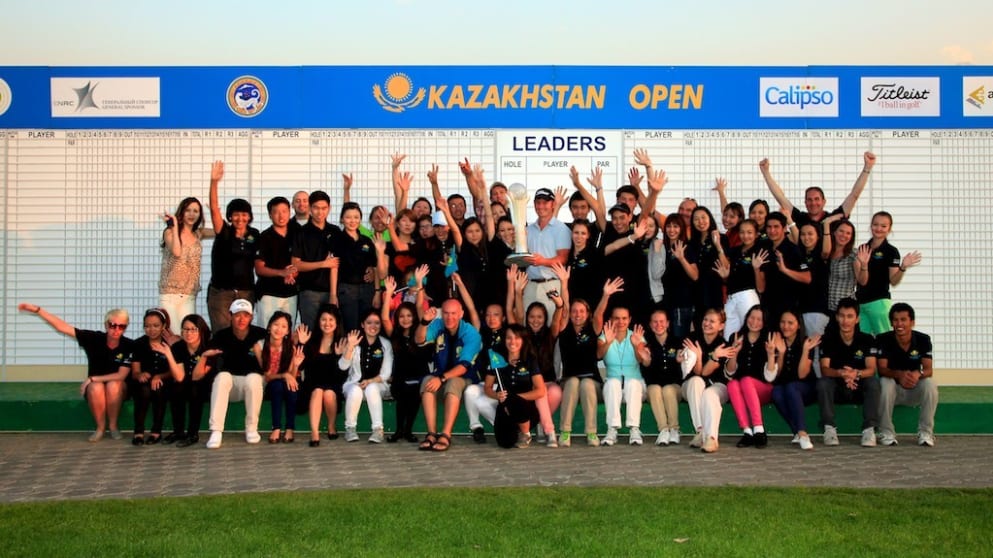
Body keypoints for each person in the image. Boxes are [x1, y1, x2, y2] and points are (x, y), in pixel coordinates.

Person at [19, 303, 133, 442]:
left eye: (121, 326)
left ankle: (113, 426)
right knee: (96, 387)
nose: (116, 329)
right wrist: (38, 310)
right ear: (106, 325)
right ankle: (100, 428)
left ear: (126, 327)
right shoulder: (93, 338)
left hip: (118, 388)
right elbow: (63, 327)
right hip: (95, 388)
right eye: (112, 325)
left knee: (113, 384)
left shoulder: (129, 345)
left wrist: (92, 379)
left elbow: (121, 375)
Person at [194, 299, 267, 449]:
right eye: (237, 315)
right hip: (231, 387)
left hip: (253, 386)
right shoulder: (221, 336)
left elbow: (269, 365)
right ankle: (216, 431)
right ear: (230, 316)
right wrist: (205, 356)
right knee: (222, 377)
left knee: (254, 378)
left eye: (246, 315)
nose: (241, 319)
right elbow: (204, 369)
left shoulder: (260, 334)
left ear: (251, 317)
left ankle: (252, 428)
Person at [415, 298, 482, 452]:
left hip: (466, 379)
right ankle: (431, 433)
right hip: (441, 376)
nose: (449, 317)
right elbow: (419, 340)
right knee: (427, 381)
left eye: (453, 313)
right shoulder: (438, 325)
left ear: (461, 314)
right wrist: (424, 322)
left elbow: (463, 367)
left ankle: (446, 434)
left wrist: (442, 378)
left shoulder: (471, 333)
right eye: (445, 313)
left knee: (453, 382)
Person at [554, 272, 610, 447]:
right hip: (569, 380)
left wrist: (606, 295)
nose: (577, 314)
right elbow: (563, 308)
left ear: (587, 314)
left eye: (581, 311)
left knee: (585, 383)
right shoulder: (565, 330)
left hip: (592, 382)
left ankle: (591, 433)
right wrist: (564, 282)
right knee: (572, 383)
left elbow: (600, 313)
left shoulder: (592, 329)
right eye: (574, 311)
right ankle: (565, 432)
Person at [817, 297, 881, 447]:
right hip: (837, 388)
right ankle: (829, 429)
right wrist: (841, 373)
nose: (845, 321)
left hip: (858, 388)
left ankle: (869, 430)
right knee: (822, 383)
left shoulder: (867, 339)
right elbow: (824, 369)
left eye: (850, 316)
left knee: (873, 383)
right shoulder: (828, 339)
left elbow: (871, 369)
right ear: (837, 317)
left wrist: (855, 374)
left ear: (857, 319)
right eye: (842, 316)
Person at [760, 151, 876, 232]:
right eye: (809, 200)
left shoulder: (834, 217)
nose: (813, 203)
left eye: (817, 199)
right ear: (805, 202)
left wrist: (867, 168)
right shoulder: (800, 218)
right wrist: (766, 173)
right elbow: (780, 197)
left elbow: (854, 195)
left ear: (824, 201)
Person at [206, 161, 260, 333]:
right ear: (230, 216)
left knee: (243, 334)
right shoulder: (224, 232)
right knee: (221, 333)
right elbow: (214, 209)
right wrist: (214, 182)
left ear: (249, 217)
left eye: (244, 215)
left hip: (246, 292)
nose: (240, 218)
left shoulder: (254, 234)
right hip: (221, 293)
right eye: (236, 215)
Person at [877, 303, 938, 447]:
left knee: (930, 383)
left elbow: (928, 370)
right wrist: (899, 375)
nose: (899, 324)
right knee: (885, 382)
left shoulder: (923, 339)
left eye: (903, 320)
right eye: (896, 320)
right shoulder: (883, 339)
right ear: (891, 322)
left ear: (912, 322)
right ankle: (886, 432)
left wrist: (918, 374)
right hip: (893, 392)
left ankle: (926, 432)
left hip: (913, 390)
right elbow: (882, 369)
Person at [381, 276, 431, 443]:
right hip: (400, 379)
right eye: (402, 316)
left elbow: (419, 305)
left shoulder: (420, 331)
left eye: (409, 316)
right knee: (402, 396)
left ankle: (407, 430)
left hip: (418, 376)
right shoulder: (395, 334)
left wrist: (419, 286)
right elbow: (385, 319)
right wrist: (388, 293)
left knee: (414, 395)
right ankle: (398, 431)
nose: (405, 319)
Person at [855, 211, 923, 335]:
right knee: (863, 344)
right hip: (861, 303)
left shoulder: (891, 251)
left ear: (889, 228)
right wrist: (864, 264)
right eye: (875, 224)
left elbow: (894, 281)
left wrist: (903, 267)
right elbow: (861, 281)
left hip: (879, 303)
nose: (879, 229)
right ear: (871, 226)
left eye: (883, 226)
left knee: (883, 340)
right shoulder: (862, 249)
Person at [597, 294, 650, 447]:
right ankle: (612, 429)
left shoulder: (637, 336)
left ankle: (634, 428)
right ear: (611, 319)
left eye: (624, 318)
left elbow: (641, 360)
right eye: (617, 318)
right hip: (613, 386)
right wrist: (608, 342)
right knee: (613, 383)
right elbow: (599, 355)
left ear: (629, 319)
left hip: (636, 385)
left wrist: (635, 345)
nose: (620, 322)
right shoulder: (604, 335)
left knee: (632, 383)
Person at [484, 324, 548, 448]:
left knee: (514, 400)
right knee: (505, 443)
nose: (512, 341)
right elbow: (487, 387)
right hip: (505, 409)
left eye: (517, 338)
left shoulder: (530, 360)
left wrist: (514, 399)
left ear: (523, 340)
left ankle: (525, 433)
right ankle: (516, 431)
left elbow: (540, 391)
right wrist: (496, 395)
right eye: (509, 338)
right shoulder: (497, 359)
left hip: (527, 410)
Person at [682, 308, 736, 453]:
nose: (707, 324)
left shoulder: (723, 345)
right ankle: (701, 431)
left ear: (721, 326)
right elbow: (699, 373)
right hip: (693, 385)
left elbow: (706, 372)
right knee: (695, 382)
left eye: (712, 321)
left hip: (718, 386)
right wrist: (699, 358)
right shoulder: (692, 338)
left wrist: (713, 357)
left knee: (709, 394)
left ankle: (711, 438)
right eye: (706, 320)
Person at [767, 310, 821, 450]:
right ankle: (797, 432)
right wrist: (781, 353)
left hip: (806, 387)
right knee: (776, 392)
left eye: (790, 323)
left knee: (792, 387)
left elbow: (802, 375)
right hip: (785, 387)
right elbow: (777, 375)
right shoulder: (777, 341)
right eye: (783, 322)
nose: (786, 326)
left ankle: (802, 433)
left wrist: (805, 351)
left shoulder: (806, 342)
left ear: (798, 325)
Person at [159, 196, 212, 334]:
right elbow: (177, 251)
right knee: (173, 335)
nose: (192, 214)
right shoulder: (169, 232)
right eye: (188, 210)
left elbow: (221, 230)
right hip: (170, 294)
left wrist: (214, 211)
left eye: (196, 211)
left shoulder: (198, 233)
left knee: (188, 334)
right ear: (181, 212)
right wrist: (175, 225)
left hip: (189, 294)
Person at [332, 201, 388, 332]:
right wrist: (333, 295)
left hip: (367, 291)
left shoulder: (367, 240)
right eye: (348, 217)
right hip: (346, 290)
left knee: (368, 328)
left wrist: (377, 292)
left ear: (360, 219)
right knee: (351, 328)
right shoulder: (337, 239)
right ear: (342, 219)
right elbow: (333, 267)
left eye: (356, 217)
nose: (352, 221)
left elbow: (374, 268)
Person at [340, 309, 394, 443]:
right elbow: (343, 366)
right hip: (354, 384)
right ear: (362, 324)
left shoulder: (385, 344)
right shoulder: (355, 341)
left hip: (378, 385)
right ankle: (350, 429)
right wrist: (350, 347)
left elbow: (386, 374)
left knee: (372, 388)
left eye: (377, 323)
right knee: (355, 390)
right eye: (369, 323)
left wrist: (370, 381)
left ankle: (378, 430)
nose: (373, 326)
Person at [298, 303, 348, 447]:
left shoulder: (341, 342)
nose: (327, 323)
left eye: (331, 320)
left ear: (337, 322)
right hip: (312, 384)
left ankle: (331, 426)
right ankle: (314, 433)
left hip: (333, 384)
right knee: (318, 391)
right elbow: (301, 366)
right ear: (318, 321)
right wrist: (302, 344)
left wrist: (338, 356)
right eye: (323, 319)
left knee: (328, 393)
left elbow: (341, 376)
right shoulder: (311, 340)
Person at [292, 190, 341, 331]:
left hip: (331, 291)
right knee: (311, 333)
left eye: (324, 208)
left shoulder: (335, 231)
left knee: (332, 332)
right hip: (309, 292)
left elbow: (335, 264)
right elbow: (296, 264)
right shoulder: (301, 233)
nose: (320, 212)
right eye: (316, 208)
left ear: (329, 208)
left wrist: (333, 294)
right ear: (310, 208)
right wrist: (322, 264)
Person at [724, 306, 772, 448]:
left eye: (759, 319)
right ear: (746, 318)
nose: (754, 322)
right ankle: (747, 432)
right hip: (741, 389)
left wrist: (770, 354)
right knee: (732, 384)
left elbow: (770, 377)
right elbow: (730, 373)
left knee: (746, 381)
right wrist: (735, 352)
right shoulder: (736, 336)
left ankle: (759, 429)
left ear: (764, 322)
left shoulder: (769, 339)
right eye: (752, 317)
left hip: (763, 389)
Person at [522, 187, 571, 325]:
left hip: (552, 285)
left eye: (545, 202)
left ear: (553, 204)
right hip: (530, 285)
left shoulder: (562, 229)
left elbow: (563, 258)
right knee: (528, 328)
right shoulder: (528, 230)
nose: (541, 206)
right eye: (538, 202)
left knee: (552, 327)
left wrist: (542, 261)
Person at [256, 311, 304, 444]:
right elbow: (267, 376)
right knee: (277, 386)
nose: (279, 329)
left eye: (284, 326)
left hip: (286, 380)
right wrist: (284, 375)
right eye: (276, 324)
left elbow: (292, 376)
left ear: (288, 331)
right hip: (270, 382)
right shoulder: (260, 346)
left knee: (291, 388)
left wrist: (295, 364)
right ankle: (276, 428)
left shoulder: (290, 348)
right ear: (269, 327)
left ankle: (290, 428)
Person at [129, 309, 175, 446]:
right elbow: (135, 372)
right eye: (147, 326)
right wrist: (140, 375)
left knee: (159, 389)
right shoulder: (138, 344)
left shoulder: (170, 344)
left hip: (164, 380)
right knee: (144, 391)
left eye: (156, 325)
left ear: (163, 326)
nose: (151, 329)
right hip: (143, 382)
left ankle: (156, 431)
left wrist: (159, 376)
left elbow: (174, 370)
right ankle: (138, 431)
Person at [640, 308, 684, 446]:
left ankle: (674, 429)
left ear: (668, 323)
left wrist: (679, 361)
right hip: (654, 386)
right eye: (655, 322)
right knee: (653, 389)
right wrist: (646, 361)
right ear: (650, 324)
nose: (658, 325)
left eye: (662, 321)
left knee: (668, 389)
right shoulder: (646, 344)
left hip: (674, 387)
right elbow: (645, 371)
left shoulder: (678, 342)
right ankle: (663, 430)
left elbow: (685, 369)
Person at [714, 219, 765, 336]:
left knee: (750, 332)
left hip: (748, 296)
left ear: (756, 234)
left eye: (749, 232)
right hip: (731, 297)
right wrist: (718, 246)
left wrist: (756, 268)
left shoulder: (759, 251)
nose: (745, 236)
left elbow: (761, 287)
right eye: (742, 232)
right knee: (728, 335)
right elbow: (728, 270)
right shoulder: (735, 251)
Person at [167, 314, 212, 447]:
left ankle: (193, 433)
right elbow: (180, 376)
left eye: (193, 329)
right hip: (186, 381)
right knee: (176, 388)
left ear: (201, 330)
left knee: (195, 389)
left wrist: (203, 357)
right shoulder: (178, 347)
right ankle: (178, 431)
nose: (189, 333)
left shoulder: (209, 347)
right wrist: (168, 354)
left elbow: (198, 376)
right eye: (185, 329)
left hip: (205, 383)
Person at [254, 197, 299, 327]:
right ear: (270, 214)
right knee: (266, 331)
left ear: (289, 212)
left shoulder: (296, 235)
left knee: (287, 334)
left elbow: (299, 263)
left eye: (284, 211)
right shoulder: (264, 237)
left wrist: (292, 273)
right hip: (269, 294)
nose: (281, 216)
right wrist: (282, 273)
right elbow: (259, 268)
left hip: (290, 293)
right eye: (276, 212)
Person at [661, 213, 698, 339]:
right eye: (669, 226)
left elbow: (695, 275)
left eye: (676, 226)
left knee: (680, 341)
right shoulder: (662, 248)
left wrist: (681, 258)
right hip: (666, 303)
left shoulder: (686, 248)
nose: (672, 230)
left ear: (681, 228)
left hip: (681, 304)